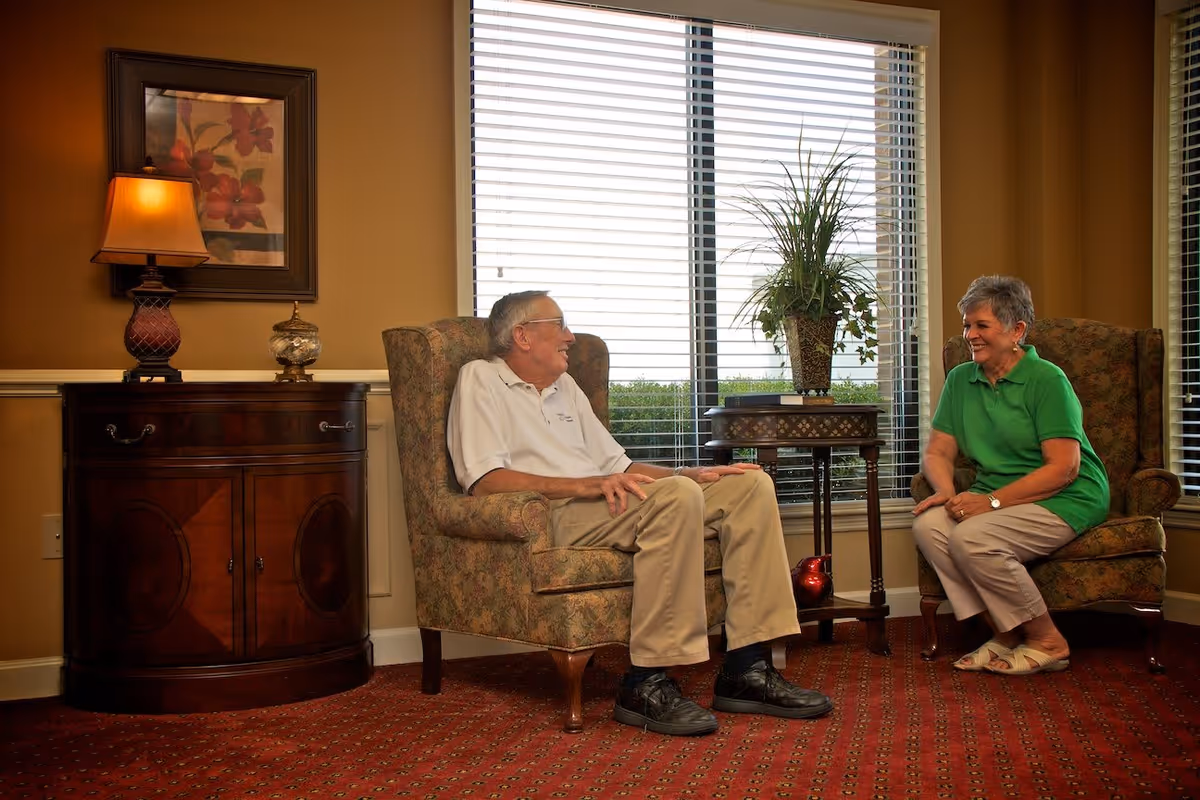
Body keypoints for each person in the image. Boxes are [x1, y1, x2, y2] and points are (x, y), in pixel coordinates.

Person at [447, 290, 833, 735]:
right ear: (522, 336)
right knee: (675, 498)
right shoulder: (480, 379)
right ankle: (645, 682)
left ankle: (747, 670)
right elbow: (483, 480)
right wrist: (585, 485)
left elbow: (621, 467)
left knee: (748, 486)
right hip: (552, 513)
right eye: (560, 324)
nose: (571, 337)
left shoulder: (564, 388)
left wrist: (688, 472)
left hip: (606, 500)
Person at [911, 275, 1109, 675]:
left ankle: (1048, 640)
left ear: (1016, 329)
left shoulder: (1047, 380)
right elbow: (938, 450)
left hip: (1065, 495)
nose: (970, 335)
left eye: (981, 325)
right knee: (931, 526)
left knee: (973, 537)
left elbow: (1063, 468)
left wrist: (989, 502)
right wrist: (947, 491)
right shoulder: (961, 380)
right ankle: (1005, 634)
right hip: (996, 493)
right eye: (967, 325)